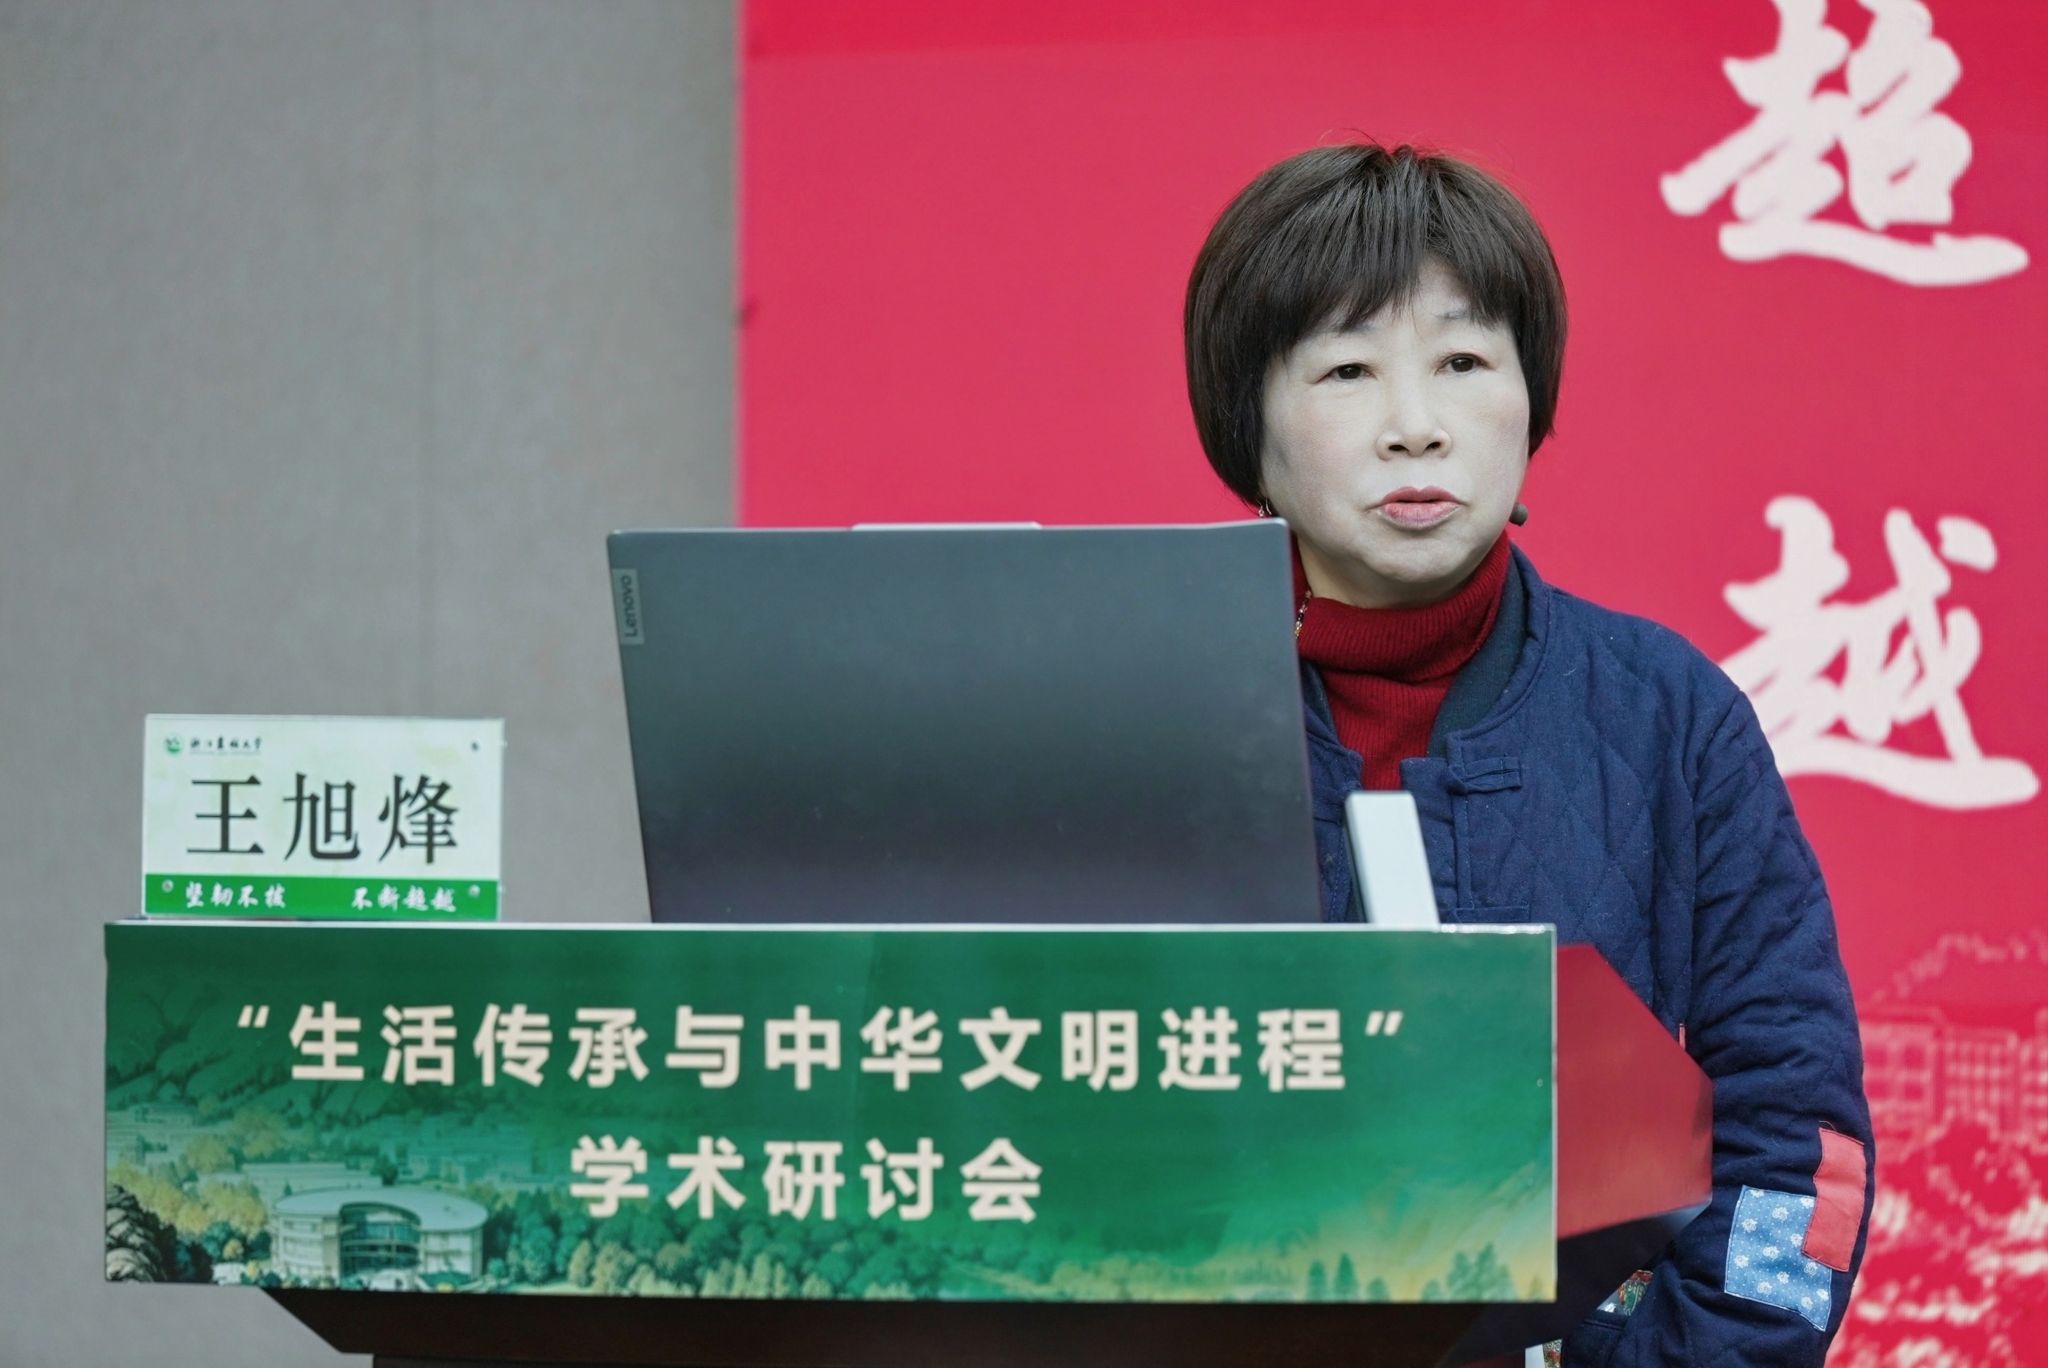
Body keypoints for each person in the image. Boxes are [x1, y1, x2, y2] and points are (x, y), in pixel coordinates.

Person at [1183, 143, 1874, 1366]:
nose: (1414, 428)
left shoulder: (1668, 717)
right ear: (1248, 428)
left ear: (1529, 398)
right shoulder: (1145, 721)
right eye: (1346, 371)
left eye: (1461, 363)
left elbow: (1793, 1138)